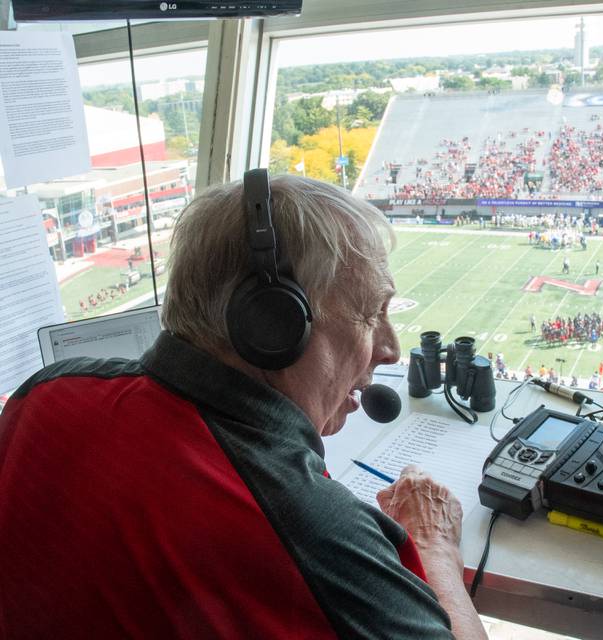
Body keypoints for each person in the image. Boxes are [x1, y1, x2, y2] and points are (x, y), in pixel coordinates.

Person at [0, 174, 487, 639]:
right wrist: (432, 545)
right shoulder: (311, 530)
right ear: (272, 326)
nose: (390, 349)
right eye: (369, 314)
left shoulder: (43, 395)